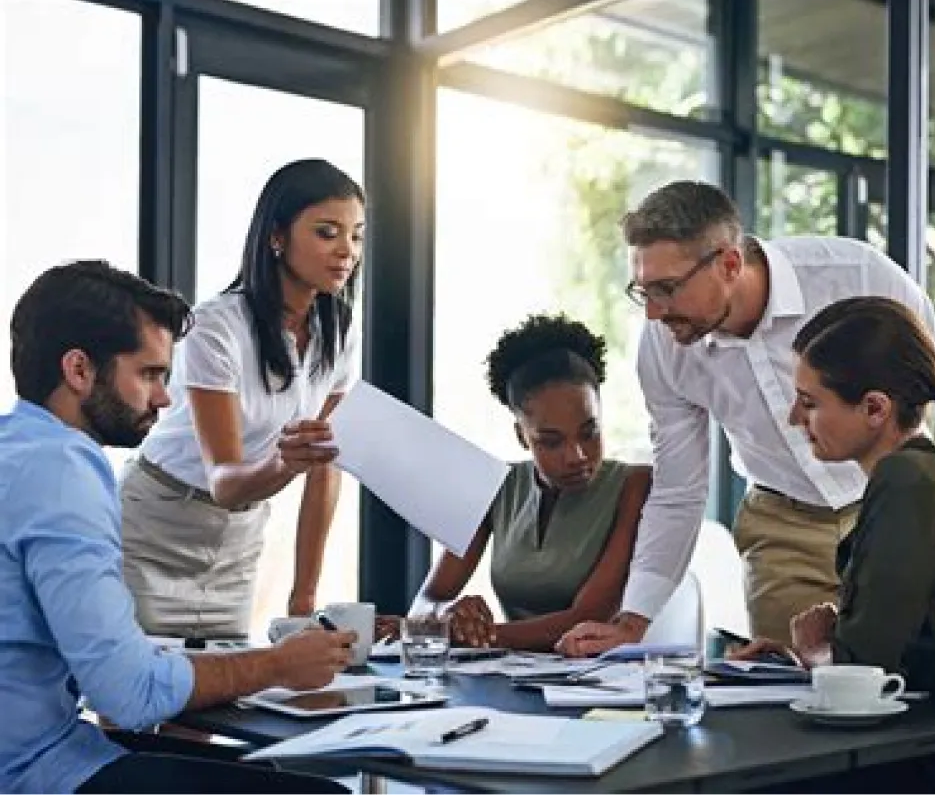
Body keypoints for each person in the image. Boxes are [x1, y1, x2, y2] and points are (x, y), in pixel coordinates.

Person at [558, 180, 935, 655]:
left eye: (667, 289)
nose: (654, 313)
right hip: (782, 527)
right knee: (795, 715)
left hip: (887, 516)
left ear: (727, 263)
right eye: (643, 291)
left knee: (899, 703)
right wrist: (632, 622)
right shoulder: (666, 347)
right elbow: (678, 489)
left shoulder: (854, 277)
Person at [1, 260, 356, 793]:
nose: (165, 399)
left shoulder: (17, 449)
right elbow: (125, 692)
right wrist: (278, 664)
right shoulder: (64, 473)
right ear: (79, 370)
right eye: (149, 374)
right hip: (36, 770)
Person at [730, 296, 935, 793]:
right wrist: (807, 655)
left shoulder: (908, 481)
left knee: (750, 773)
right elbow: (896, 646)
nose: (795, 418)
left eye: (811, 401)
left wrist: (816, 647)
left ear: (874, 409)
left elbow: (867, 670)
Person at [121, 158, 364, 638]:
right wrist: (286, 463)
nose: (346, 251)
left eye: (356, 235)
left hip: (238, 540)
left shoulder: (338, 329)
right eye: (327, 232)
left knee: (225, 698)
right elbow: (225, 480)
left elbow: (325, 466)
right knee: (136, 700)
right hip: (156, 526)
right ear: (276, 236)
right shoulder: (215, 327)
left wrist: (304, 596)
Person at [398, 314, 652, 652]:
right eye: (551, 441)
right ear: (522, 436)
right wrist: (451, 615)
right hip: (514, 677)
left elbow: (590, 618)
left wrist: (476, 635)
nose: (576, 455)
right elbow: (427, 602)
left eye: (589, 433)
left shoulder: (635, 485)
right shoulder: (496, 485)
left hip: (602, 684)